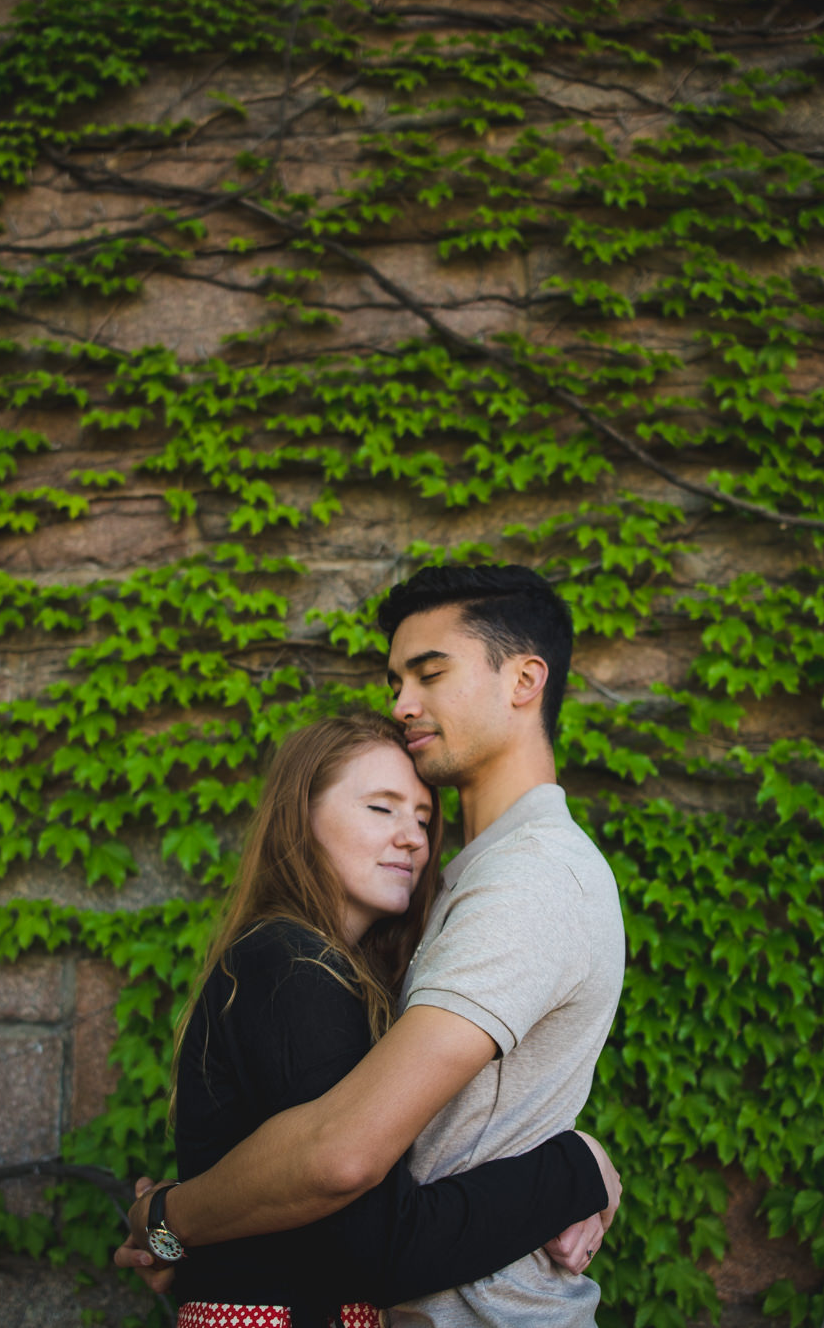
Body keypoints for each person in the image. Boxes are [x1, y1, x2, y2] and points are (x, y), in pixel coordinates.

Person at [120, 565, 627, 1327]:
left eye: (429, 672)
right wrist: (582, 1164)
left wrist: (169, 1217)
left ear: (523, 679)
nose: (402, 704)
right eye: (396, 679)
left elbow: (341, 1155)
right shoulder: (449, 892)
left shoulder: (532, 878)